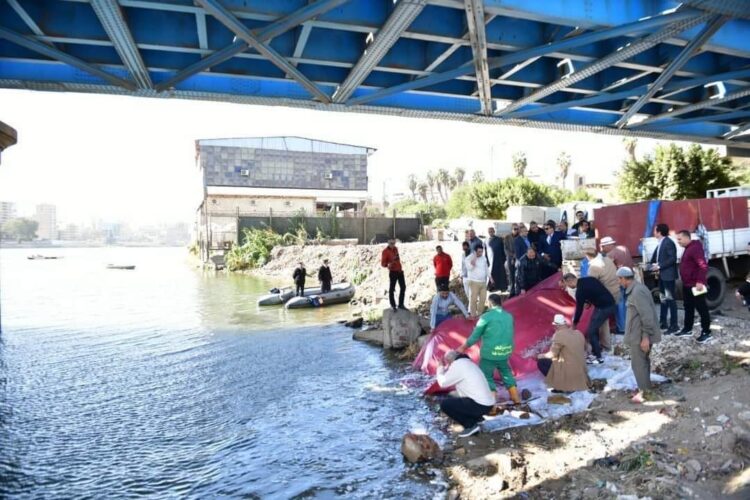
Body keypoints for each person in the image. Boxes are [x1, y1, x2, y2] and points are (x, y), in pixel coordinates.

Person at [457, 294, 520, 404]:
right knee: (506, 372)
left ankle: (492, 404)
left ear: (490, 304)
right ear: (500, 303)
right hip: (505, 351)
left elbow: (475, 336)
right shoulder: (509, 316)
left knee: (486, 376)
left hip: (489, 353)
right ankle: (516, 398)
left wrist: (463, 347)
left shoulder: (486, 317)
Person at [617, 266, 661, 404]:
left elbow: (646, 315)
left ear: (624, 279)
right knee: (642, 362)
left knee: (639, 364)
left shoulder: (637, 292)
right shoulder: (636, 289)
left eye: (619, 279)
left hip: (639, 335)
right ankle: (646, 388)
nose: (619, 282)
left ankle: (646, 393)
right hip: (638, 334)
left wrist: (645, 337)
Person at [436, 351, 496, 437]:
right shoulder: (467, 363)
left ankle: (470, 425)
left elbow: (443, 383)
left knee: (445, 404)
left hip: (481, 405)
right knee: (452, 395)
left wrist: (440, 368)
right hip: (488, 404)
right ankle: (477, 418)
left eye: (448, 363)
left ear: (450, 361)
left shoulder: (458, 365)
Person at [564, 273, 617, 365]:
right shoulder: (590, 279)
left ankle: (598, 357)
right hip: (609, 303)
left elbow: (579, 309)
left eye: (567, 284)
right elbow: (597, 291)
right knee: (593, 324)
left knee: (591, 331)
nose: (568, 286)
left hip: (604, 308)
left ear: (570, 281)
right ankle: (596, 348)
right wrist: (589, 301)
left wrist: (575, 323)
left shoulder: (580, 291)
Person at [537, 314, 590, 393]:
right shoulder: (578, 333)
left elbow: (551, 355)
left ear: (557, 326)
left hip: (570, 373)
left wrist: (539, 356)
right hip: (581, 372)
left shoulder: (559, 335)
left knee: (541, 362)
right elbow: (588, 348)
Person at [675, 230, 712, 343]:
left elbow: (703, 265)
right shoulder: (688, 248)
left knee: (702, 308)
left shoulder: (695, 248)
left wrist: (700, 281)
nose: (678, 242)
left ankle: (706, 332)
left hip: (696, 285)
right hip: (687, 284)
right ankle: (687, 329)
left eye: (680, 239)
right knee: (688, 307)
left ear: (687, 238)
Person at [584, 248, 619, 351]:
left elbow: (590, 285)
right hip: (615, 292)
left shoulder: (594, 267)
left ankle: (604, 345)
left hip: (605, 297)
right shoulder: (607, 259)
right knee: (604, 319)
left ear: (588, 256)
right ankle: (606, 343)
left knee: (600, 321)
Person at [600, 236, 633, 334]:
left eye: (603, 247)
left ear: (608, 246)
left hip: (619, 280)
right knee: (628, 304)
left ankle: (622, 328)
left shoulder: (610, 254)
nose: (602, 249)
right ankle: (630, 326)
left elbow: (607, 269)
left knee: (620, 304)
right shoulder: (624, 248)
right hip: (630, 279)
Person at [650, 223, 678, 334]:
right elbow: (656, 257)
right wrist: (650, 264)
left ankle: (674, 325)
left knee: (670, 300)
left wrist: (659, 265)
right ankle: (663, 322)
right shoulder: (661, 243)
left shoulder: (668, 242)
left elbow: (672, 259)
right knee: (663, 299)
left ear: (659, 232)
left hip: (668, 276)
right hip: (662, 276)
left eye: (654, 230)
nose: (653, 232)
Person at [381, 239, 406, 311]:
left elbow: (398, 259)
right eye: (391, 243)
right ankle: (393, 305)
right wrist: (388, 265)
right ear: (388, 243)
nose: (392, 244)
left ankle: (401, 304)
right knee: (392, 289)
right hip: (393, 272)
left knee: (403, 287)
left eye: (394, 243)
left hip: (399, 271)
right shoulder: (385, 251)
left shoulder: (396, 249)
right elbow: (383, 264)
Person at [464, 245, 489, 317]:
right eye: (479, 252)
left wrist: (490, 277)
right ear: (475, 251)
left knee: (483, 299)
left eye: (482, 252)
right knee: (473, 299)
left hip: (483, 281)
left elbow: (486, 268)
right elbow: (470, 268)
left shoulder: (483, 258)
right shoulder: (468, 258)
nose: (480, 253)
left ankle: (480, 314)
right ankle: (473, 314)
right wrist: (474, 258)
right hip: (473, 281)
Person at [486, 226, 508, 292]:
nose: (491, 232)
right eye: (489, 231)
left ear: (494, 231)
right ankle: (492, 287)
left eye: (492, 231)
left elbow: (503, 249)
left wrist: (503, 259)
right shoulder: (486, 240)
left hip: (499, 259)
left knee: (501, 274)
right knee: (492, 273)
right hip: (490, 260)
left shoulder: (499, 239)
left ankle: (502, 287)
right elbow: (485, 250)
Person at [504, 224, 519, 296]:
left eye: (517, 229)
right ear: (511, 229)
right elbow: (505, 248)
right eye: (514, 229)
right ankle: (512, 291)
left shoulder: (520, 237)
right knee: (511, 275)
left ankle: (517, 290)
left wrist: (516, 255)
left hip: (518, 257)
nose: (516, 230)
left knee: (518, 274)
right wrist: (512, 256)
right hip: (510, 258)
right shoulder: (507, 237)